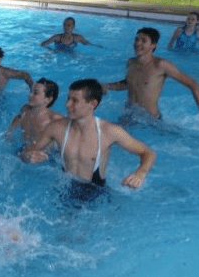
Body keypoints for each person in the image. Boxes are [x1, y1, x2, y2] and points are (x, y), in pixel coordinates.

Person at [22, 79, 155, 200]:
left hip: (95, 193)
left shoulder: (109, 131)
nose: (68, 104)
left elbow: (148, 153)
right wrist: (28, 157)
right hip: (64, 187)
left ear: (92, 104)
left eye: (75, 101)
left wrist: (140, 173)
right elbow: (26, 153)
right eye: (68, 99)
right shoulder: (56, 128)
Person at [103, 27, 199, 120]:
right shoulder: (131, 62)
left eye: (144, 41)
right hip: (129, 116)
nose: (137, 43)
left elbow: (193, 84)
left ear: (153, 45)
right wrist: (107, 86)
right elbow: (128, 83)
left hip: (151, 121)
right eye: (136, 39)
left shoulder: (161, 65)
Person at [5, 78, 63, 147]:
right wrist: (10, 131)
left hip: (44, 155)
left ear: (47, 99)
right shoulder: (25, 109)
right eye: (31, 91)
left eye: (35, 93)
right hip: (24, 148)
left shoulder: (53, 118)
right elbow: (19, 117)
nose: (30, 95)